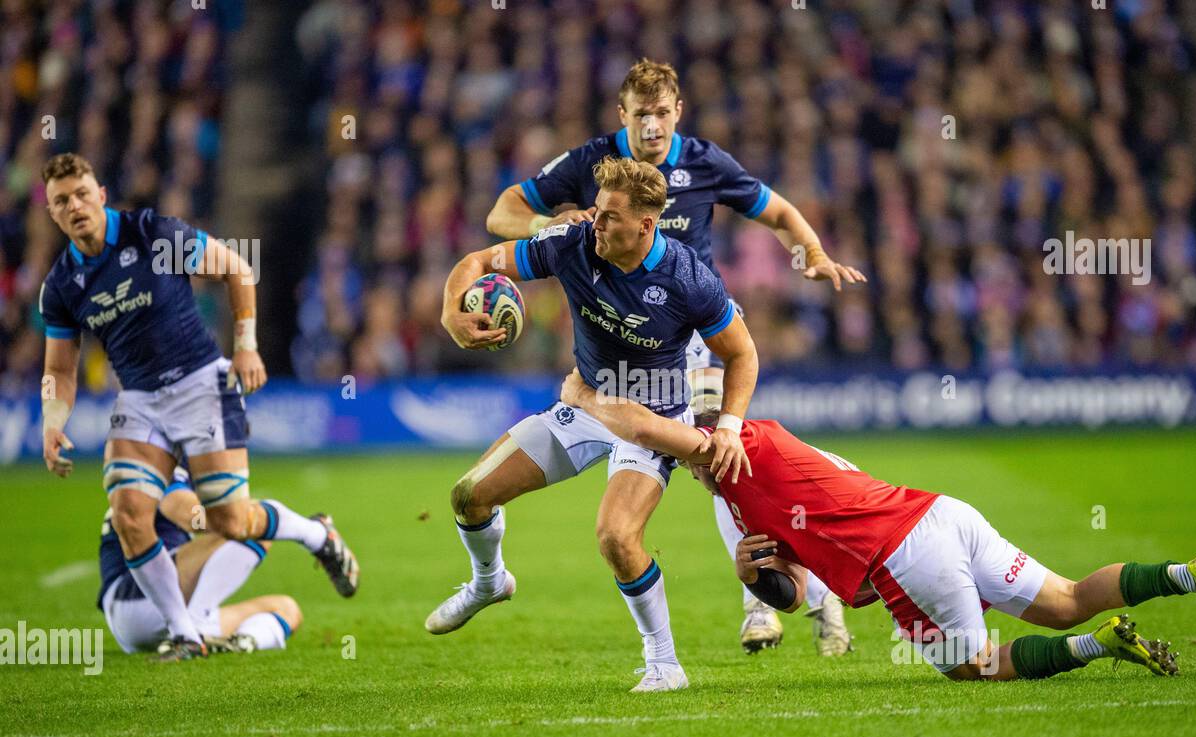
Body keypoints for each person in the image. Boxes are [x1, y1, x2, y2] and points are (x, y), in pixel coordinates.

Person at [487, 59, 866, 656]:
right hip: (629, 342)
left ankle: (766, 600)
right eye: (642, 115)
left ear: (678, 112)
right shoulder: (593, 165)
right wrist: (552, 220)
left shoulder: (705, 162)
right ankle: (805, 588)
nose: (654, 126)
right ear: (623, 116)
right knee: (706, 462)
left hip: (699, 328)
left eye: (662, 113)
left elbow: (779, 213)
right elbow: (500, 213)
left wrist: (811, 253)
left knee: (721, 454)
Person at [558, 368, 1196, 680]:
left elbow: (652, 428)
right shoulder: (748, 488)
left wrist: (586, 397)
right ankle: (1190, 572)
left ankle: (1103, 647)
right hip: (942, 513)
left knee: (972, 665)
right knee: (1064, 598)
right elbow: (793, 588)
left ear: (707, 439)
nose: (688, 469)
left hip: (906, 560)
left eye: (690, 458)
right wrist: (756, 576)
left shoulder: (736, 448)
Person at [431, 156, 757, 692]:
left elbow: (742, 355)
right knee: (469, 495)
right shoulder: (573, 241)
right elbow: (481, 260)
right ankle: (489, 583)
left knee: (616, 537)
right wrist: (451, 311)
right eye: (597, 210)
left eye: (609, 217)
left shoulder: (688, 278)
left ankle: (665, 665)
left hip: (650, 419)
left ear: (645, 226)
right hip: (584, 406)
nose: (595, 222)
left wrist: (729, 426)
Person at [37, 153, 358, 661]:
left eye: (81, 194)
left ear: (100, 195)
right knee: (128, 510)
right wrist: (54, 423)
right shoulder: (61, 287)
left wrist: (247, 345)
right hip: (139, 399)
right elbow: (59, 371)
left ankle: (316, 534)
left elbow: (236, 268)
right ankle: (185, 632)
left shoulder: (150, 234)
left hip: (200, 384)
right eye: (61, 201)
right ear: (52, 213)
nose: (74, 206)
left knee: (231, 522)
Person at [98, 467, 302, 657]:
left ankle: (240, 641)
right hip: (136, 596)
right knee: (253, 524)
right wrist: (237, 519)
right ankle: (195, 629)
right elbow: (189, 515)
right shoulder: (162, 464)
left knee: (287, 609)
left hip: (161, 613)